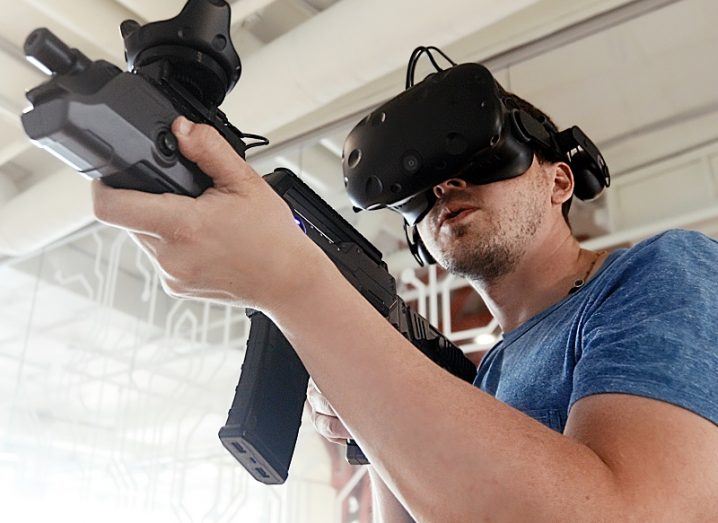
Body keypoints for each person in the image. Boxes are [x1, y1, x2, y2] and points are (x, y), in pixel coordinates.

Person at [93, 99, 718, 521]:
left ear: (559, 182)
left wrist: (298, 287)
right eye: (421, 192)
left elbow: (633, 512)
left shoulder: (661, 269)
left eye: (482, 160)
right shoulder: (485, 379)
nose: (445, 189)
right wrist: (374, 418)